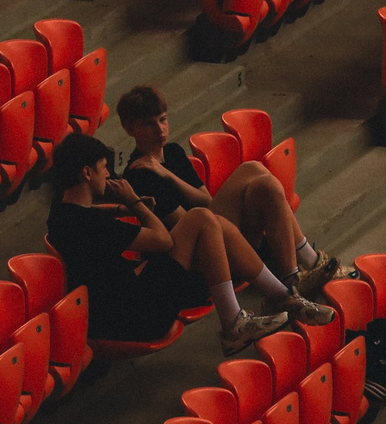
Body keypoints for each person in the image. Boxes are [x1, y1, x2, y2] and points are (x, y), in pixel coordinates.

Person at [46, 131, 336, 354]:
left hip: (124, 300)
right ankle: (239, 321)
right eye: (103, 168)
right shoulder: (87, 222)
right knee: (201, 219)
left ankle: (282, 296)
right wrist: (133, 202)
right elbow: (161, 240)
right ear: (87, 173)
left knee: (213, 220)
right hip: (136, 313)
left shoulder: (62, 214)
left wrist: (122, 209)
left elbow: (91, 218)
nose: (108, 174)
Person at [113, 85, 356, 295]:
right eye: (149, 124)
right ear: (129, 128)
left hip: (224, 236)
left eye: (163, 120)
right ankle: (310, 262)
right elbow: (191, 223)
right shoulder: (139, 173)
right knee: (252, 169)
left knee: (266, 186)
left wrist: (169, 175)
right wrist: (162, 174)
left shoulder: (174, 153)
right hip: (199, 256)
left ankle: (294, 276)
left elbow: (205, 199)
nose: (160, 130)